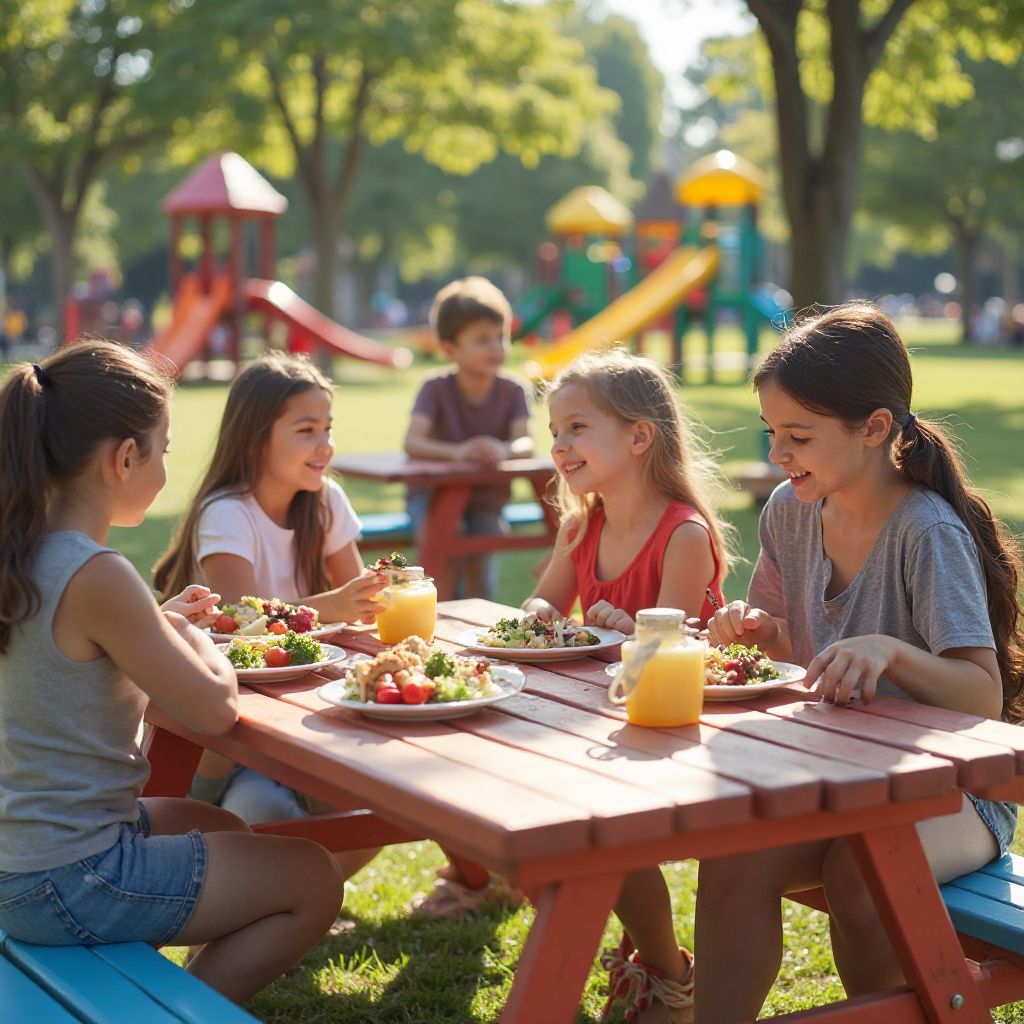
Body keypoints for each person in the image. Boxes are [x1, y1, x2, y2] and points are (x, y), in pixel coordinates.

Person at [696, 302, 1024, 1024]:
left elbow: (978, 693)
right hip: (844, 776)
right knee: (732, 859)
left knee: (862, 867)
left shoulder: (925, 531)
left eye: (799, 436)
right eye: (773, 433)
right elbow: (791, 641)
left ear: (875, 429)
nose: (779, 454)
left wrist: (891, 652)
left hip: (956, 796)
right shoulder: (789, 508)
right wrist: (755, 631)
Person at [0, 342, 343, 1004]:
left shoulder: (27, 553)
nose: (164, 466)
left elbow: (78, 644)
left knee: (224, 828)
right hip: (72, 877)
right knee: (314, 877)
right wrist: (194, 634)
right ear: (123, 459)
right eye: (160, 449)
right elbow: (214, 710)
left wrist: (156, 623)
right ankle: (176, 1015)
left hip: (24, 856)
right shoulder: (96, 572)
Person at [525, 348, 734, 1024]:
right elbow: (540, 611)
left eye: (577, 428)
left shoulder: (682, 536)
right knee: (526, 813)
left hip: (676, 734)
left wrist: (626, 635)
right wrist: (531, 619)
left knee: (590, 828)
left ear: (639, 436)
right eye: (554, 431)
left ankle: (669, 973)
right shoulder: (579, 526)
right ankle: (633, 952)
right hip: (601, 724)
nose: (559, 445)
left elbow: (678, 658)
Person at [154, 352, 384, 877]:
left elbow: (360, 608)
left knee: (381, 807)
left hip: (304, 717)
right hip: (228, 740)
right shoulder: (228, 514)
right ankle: (278, 894)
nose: (325, 445)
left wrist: (372, 596)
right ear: (258, 438)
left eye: (327, 428)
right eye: (306, 430)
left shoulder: (325, 503)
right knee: (261, 814)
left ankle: (308, 895)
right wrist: (330, 605)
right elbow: (239, 626)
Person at [404, 276, 533, 599]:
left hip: (486, 500)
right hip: (433, 497)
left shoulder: (513, 389)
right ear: (450, 348)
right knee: (447, 548)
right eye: (482, 339)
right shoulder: (435, 387)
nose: (495, 347)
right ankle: (444, 620)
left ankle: (481, 624)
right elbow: (413, 443)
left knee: (481, 557)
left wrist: (502, 449)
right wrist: (457, 452)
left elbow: (526, 443)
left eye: (500, 337)